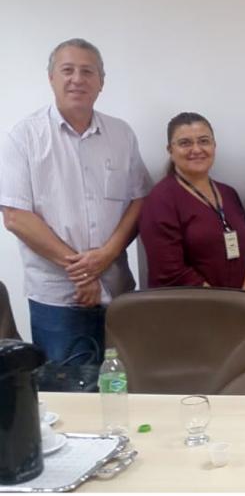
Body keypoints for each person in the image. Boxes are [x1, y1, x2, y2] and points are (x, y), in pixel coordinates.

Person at [0, 38, 152, 364]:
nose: (77, 79)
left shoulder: (121, 134)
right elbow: (15, 216)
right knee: (70, 396)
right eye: (67, 70)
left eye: (88, 71)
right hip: (56, 300)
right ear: (51, 77)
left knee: (125, 388)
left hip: (118, 292)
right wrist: (83, 273)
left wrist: (106, 256)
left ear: (101, 82)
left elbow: (140, 201)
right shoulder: (23, 136)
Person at [139, 112, 245, 289]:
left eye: (204, 141)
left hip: (239, 305)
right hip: (191, 308)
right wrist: (228, 304)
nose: (197, 149)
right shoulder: (160, 200)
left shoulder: (229, 193)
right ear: (170, 150)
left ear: (214, 145)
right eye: (185, 143)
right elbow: (169, 271)